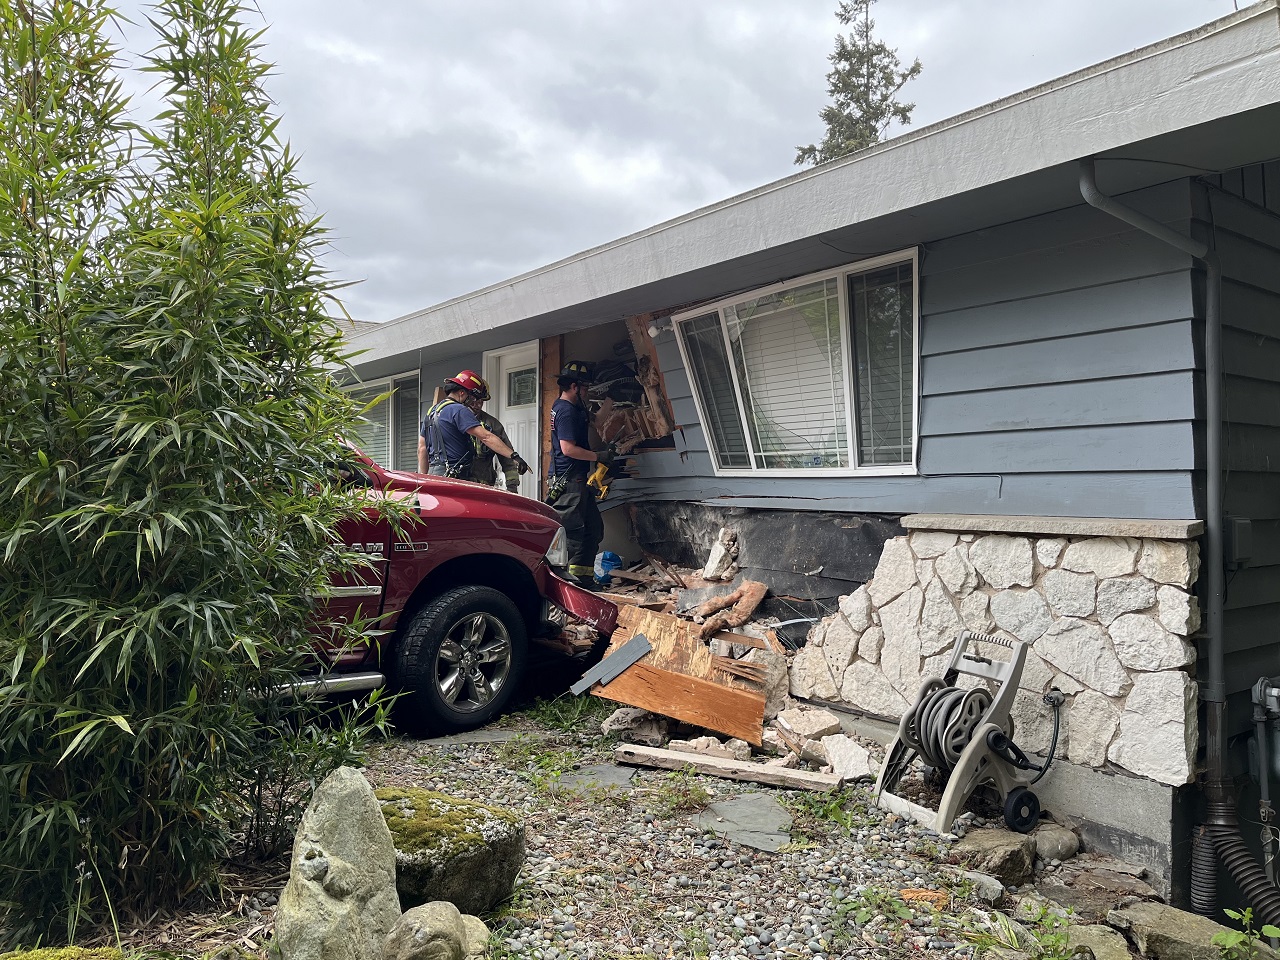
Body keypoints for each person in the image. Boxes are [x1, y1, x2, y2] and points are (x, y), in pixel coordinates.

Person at [547, 360, 611, 588]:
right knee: (570, 534)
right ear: (574, 386)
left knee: (593, 529)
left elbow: (596, 421)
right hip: (568, 480)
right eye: (585, 387)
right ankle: (556, 585)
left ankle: (581, 579)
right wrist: (598, 457)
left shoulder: (576, 408)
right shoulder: (565, 411)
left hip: (580, 480)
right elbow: (568, 449)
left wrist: (610, 400)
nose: (587, 391)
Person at [418, 369, 522, 480]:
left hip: (434, 476)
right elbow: (486, 437)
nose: (473, 401)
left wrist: (424, 479)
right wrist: (514, 456)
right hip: (455, 477)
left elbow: (421, 449)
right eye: (472, 396)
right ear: (462, 393)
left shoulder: (431, 412)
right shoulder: (459, 410)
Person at [461, 375, 530, 492]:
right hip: (459, 485)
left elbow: (507, 460)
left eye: (481, 401)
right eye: (473, 399)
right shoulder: (454, 419)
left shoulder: (492, 425)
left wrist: (512, 488)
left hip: (483, 487)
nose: (477, 404)